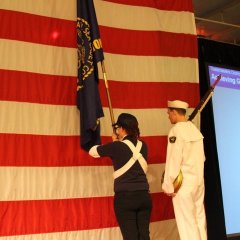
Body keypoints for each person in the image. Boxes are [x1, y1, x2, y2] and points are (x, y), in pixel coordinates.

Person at [89, 113, 152, 240]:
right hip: (144, 197)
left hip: (125, 198)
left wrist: (114, 143)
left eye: (118, 128)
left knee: (130, 237)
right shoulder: (143, 146)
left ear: (122, 129)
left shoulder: (116, 146)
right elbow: (127, 152)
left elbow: (93, 151)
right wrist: (116, 143)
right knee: (144, 236)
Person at [162, 100, 207, 240]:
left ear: (174, 112)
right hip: (199, 182)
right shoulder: (194, 129)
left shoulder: (175, 131)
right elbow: (202, 158)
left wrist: (169, 186)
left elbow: (173, 161)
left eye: (169, 113)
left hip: (183, 185)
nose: (168, 116)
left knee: (187, 224)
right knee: (199, 220)